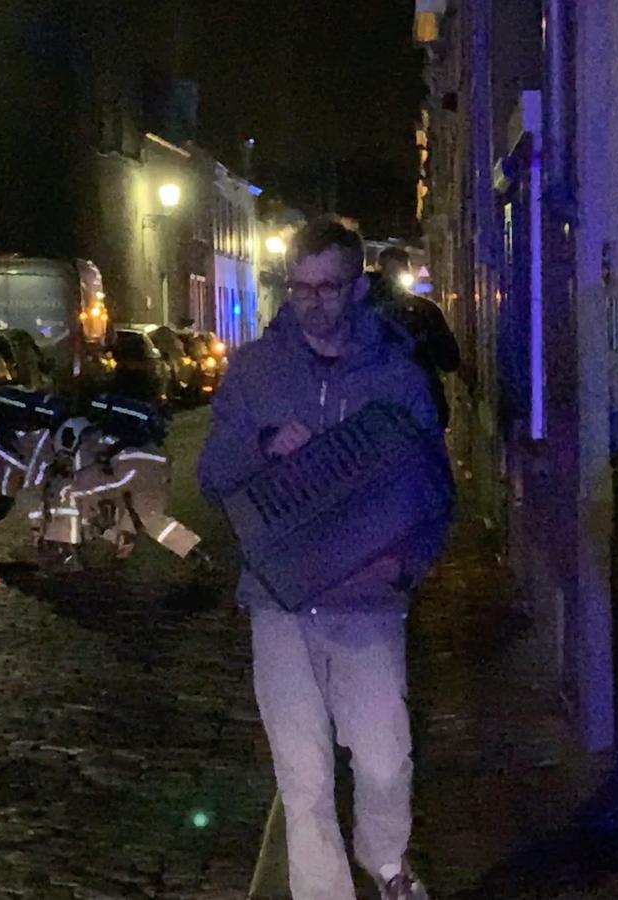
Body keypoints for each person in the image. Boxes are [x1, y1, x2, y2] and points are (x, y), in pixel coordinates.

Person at [197, 219, 451, 900]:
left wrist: (405, 566)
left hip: (368, 602)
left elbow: (433, 490)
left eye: (328, 289)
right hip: (278, 602)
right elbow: (211, 473)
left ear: (357, 287)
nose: (312, 303)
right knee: (303, 776)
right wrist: (262, 443)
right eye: (300, 288)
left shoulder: (395, 374)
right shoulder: (256, 370)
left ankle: (386, 859)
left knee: (384, 761)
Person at [367, 247, 460, 429]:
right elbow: (449, 360)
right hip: (420, 410)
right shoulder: (425, 311)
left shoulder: (362, 312)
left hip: (379, 414)